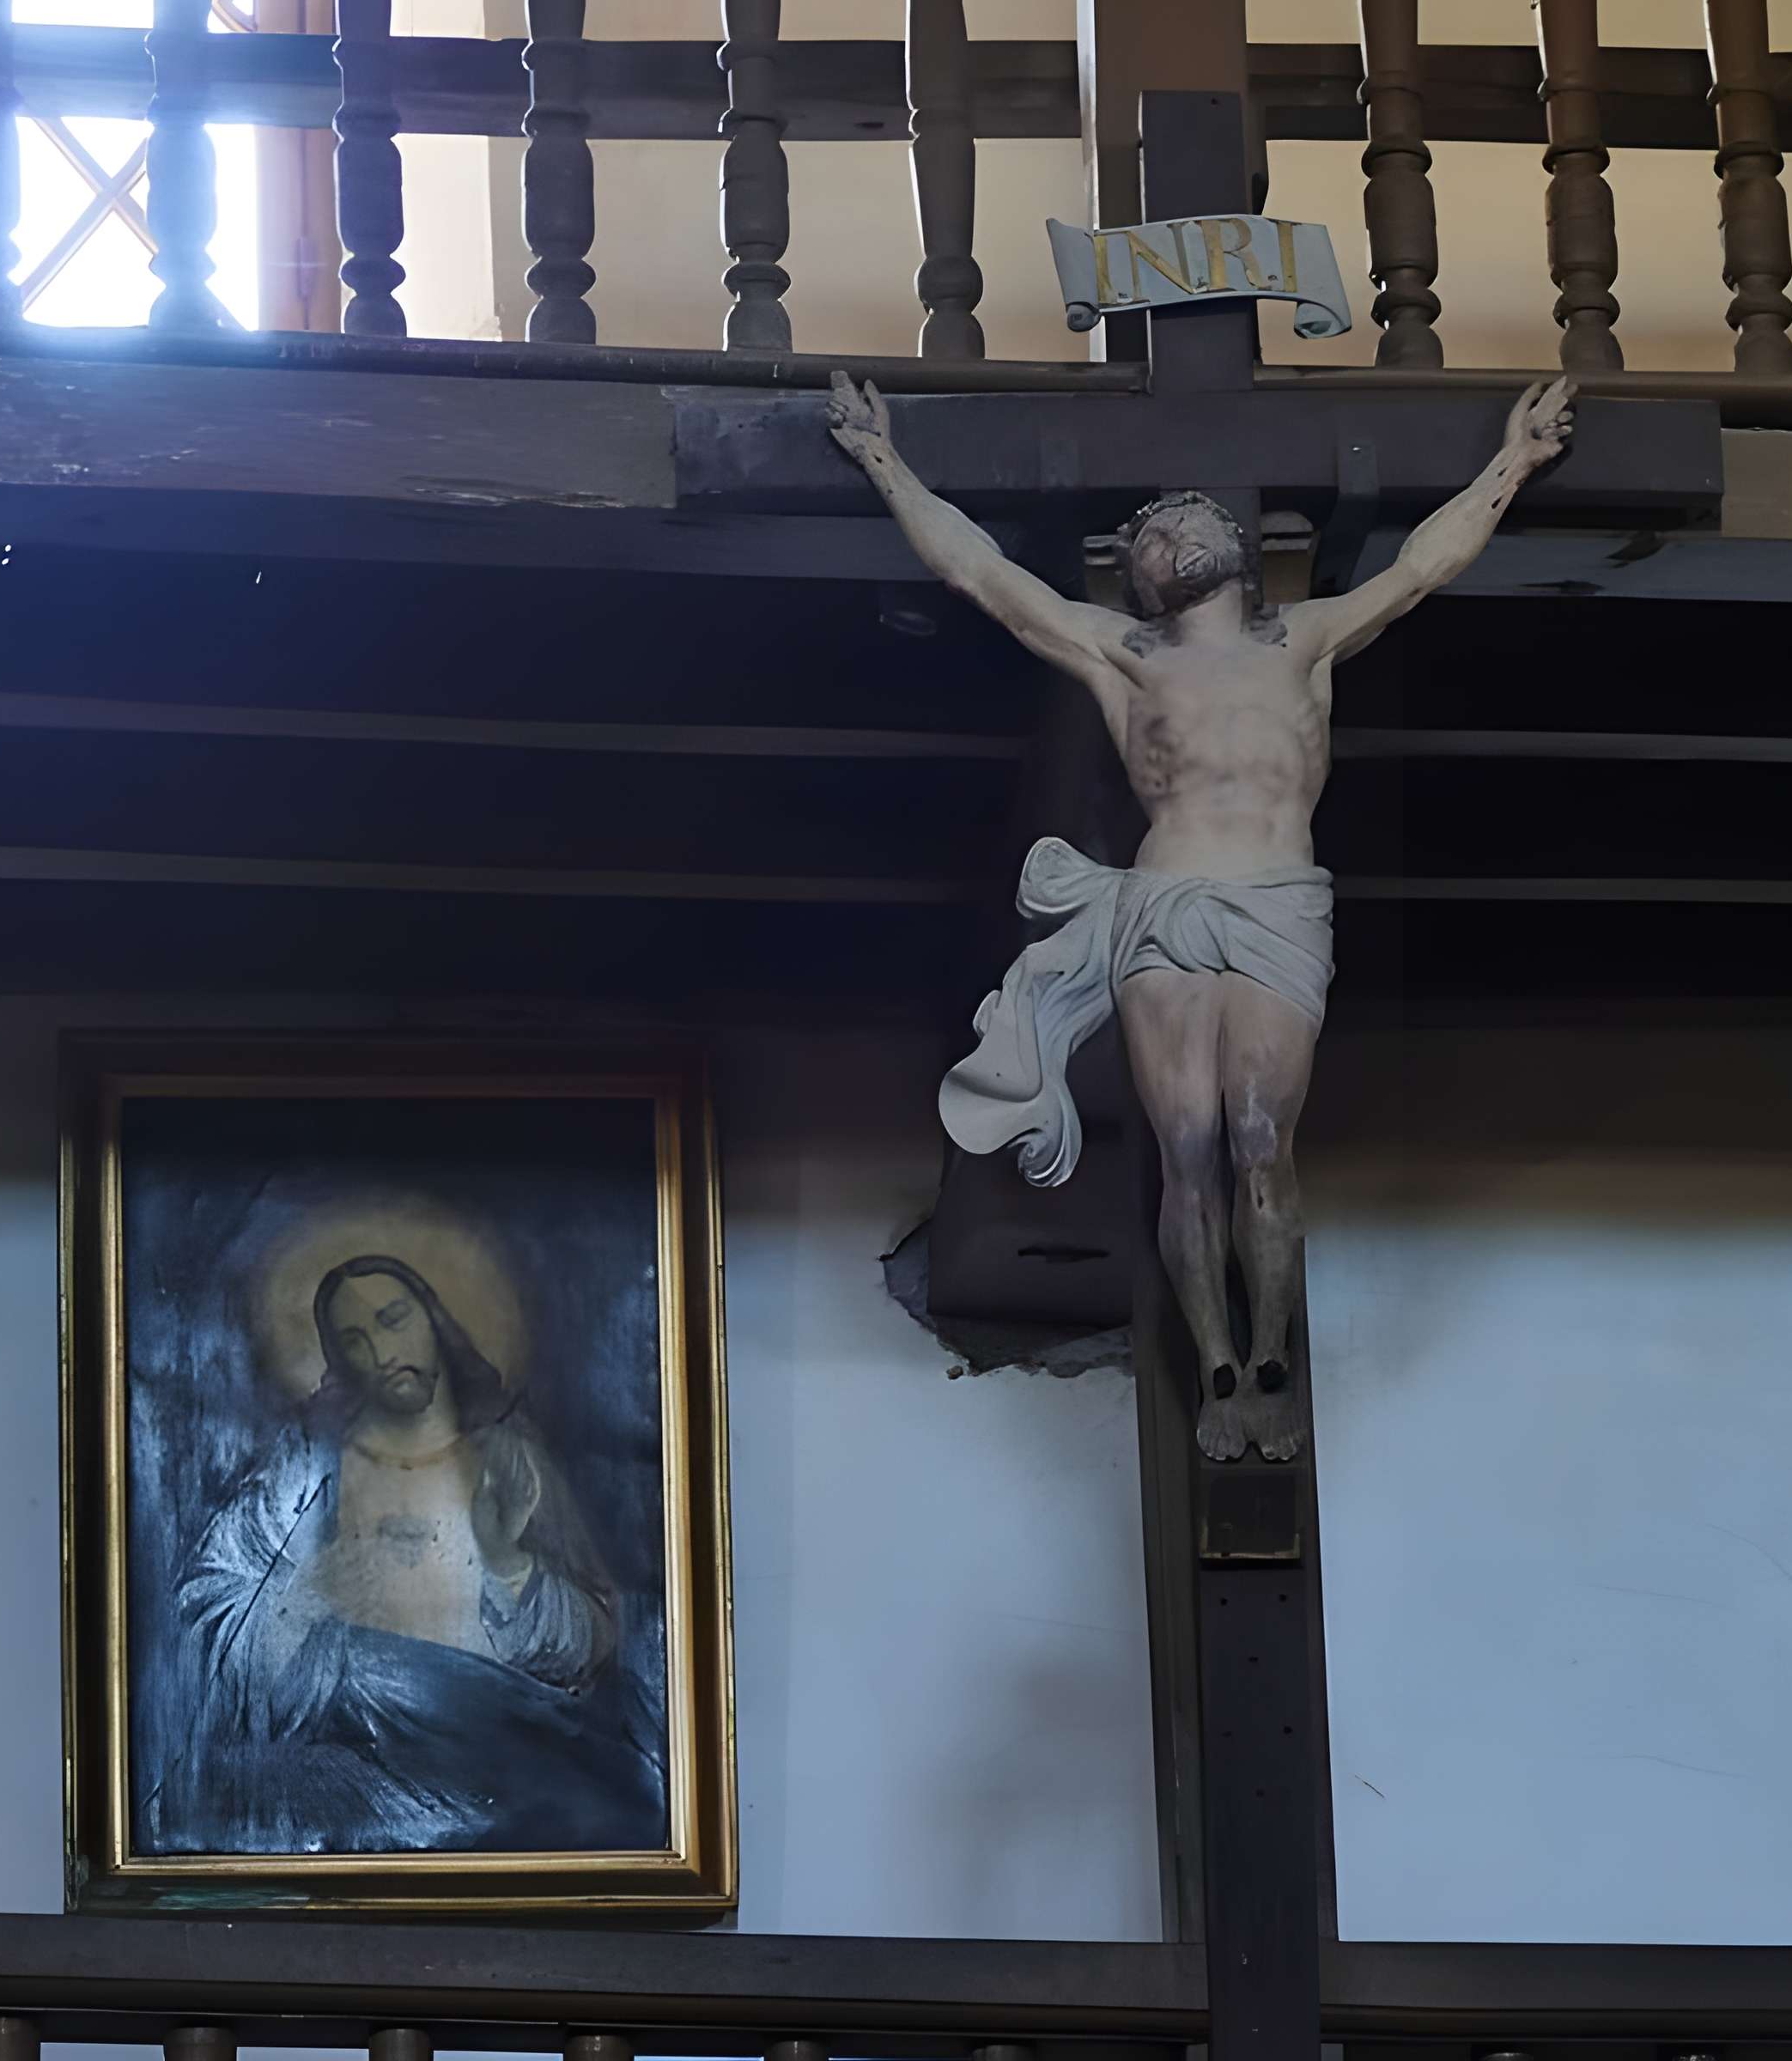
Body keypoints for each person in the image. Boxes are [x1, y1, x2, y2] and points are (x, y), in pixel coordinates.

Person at [829, 368, 1575, 1462]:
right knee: (1186, 1147)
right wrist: (881, 457)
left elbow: (1423, 567)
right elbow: (979, 574)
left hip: (1277, 902)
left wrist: (1514, 458)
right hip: (1166, 905)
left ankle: (1272, 1356)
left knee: (1261, 1140)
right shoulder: (1121, 659)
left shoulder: (1306, 638)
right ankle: (1217, 1365)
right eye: (1154, 535)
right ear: (1137, 582)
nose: (1174, 533)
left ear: (1228, 549)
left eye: (1188, 521)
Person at [151, 1255, 664, 1855]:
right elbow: (205, 1614)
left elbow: (592, 1648)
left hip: (505, 1753)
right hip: (355, 1773)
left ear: (435, 1321)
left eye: (394, 1320)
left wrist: (507, 1564)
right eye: (354, 1341)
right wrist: (307, 1597)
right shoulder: (305, 1471)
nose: (380, 1352)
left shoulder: (507, 1459)